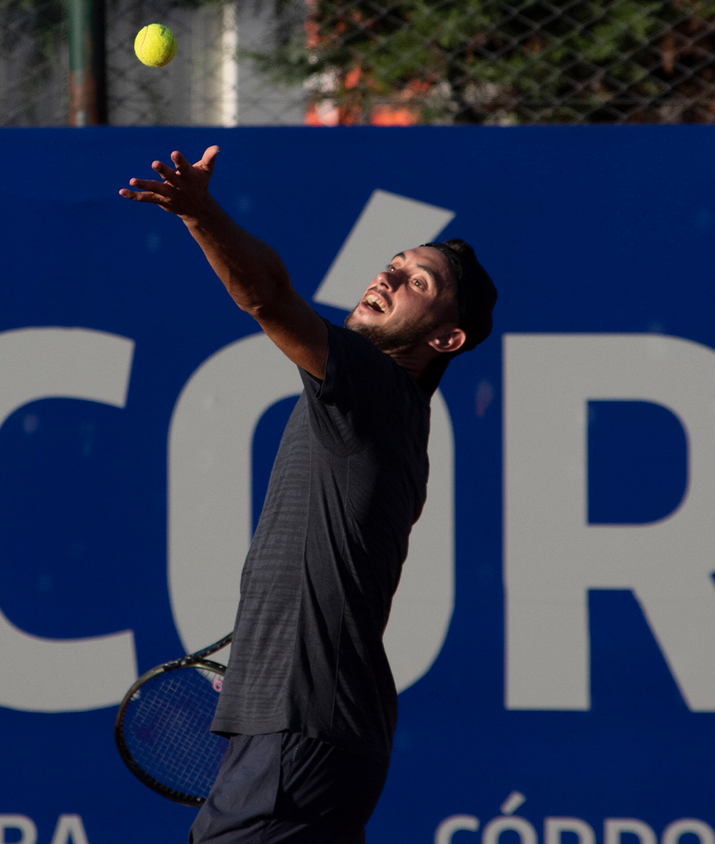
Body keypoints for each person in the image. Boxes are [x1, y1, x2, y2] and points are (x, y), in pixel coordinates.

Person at [120, 146, 497, 843]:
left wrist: (201, 214)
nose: (389, 272)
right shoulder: (375, 409)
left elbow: (266, 296)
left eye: (418, 279)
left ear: (447, 335)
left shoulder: (378, 391)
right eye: (396, 261)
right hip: (296, 729)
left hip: (300, 729)